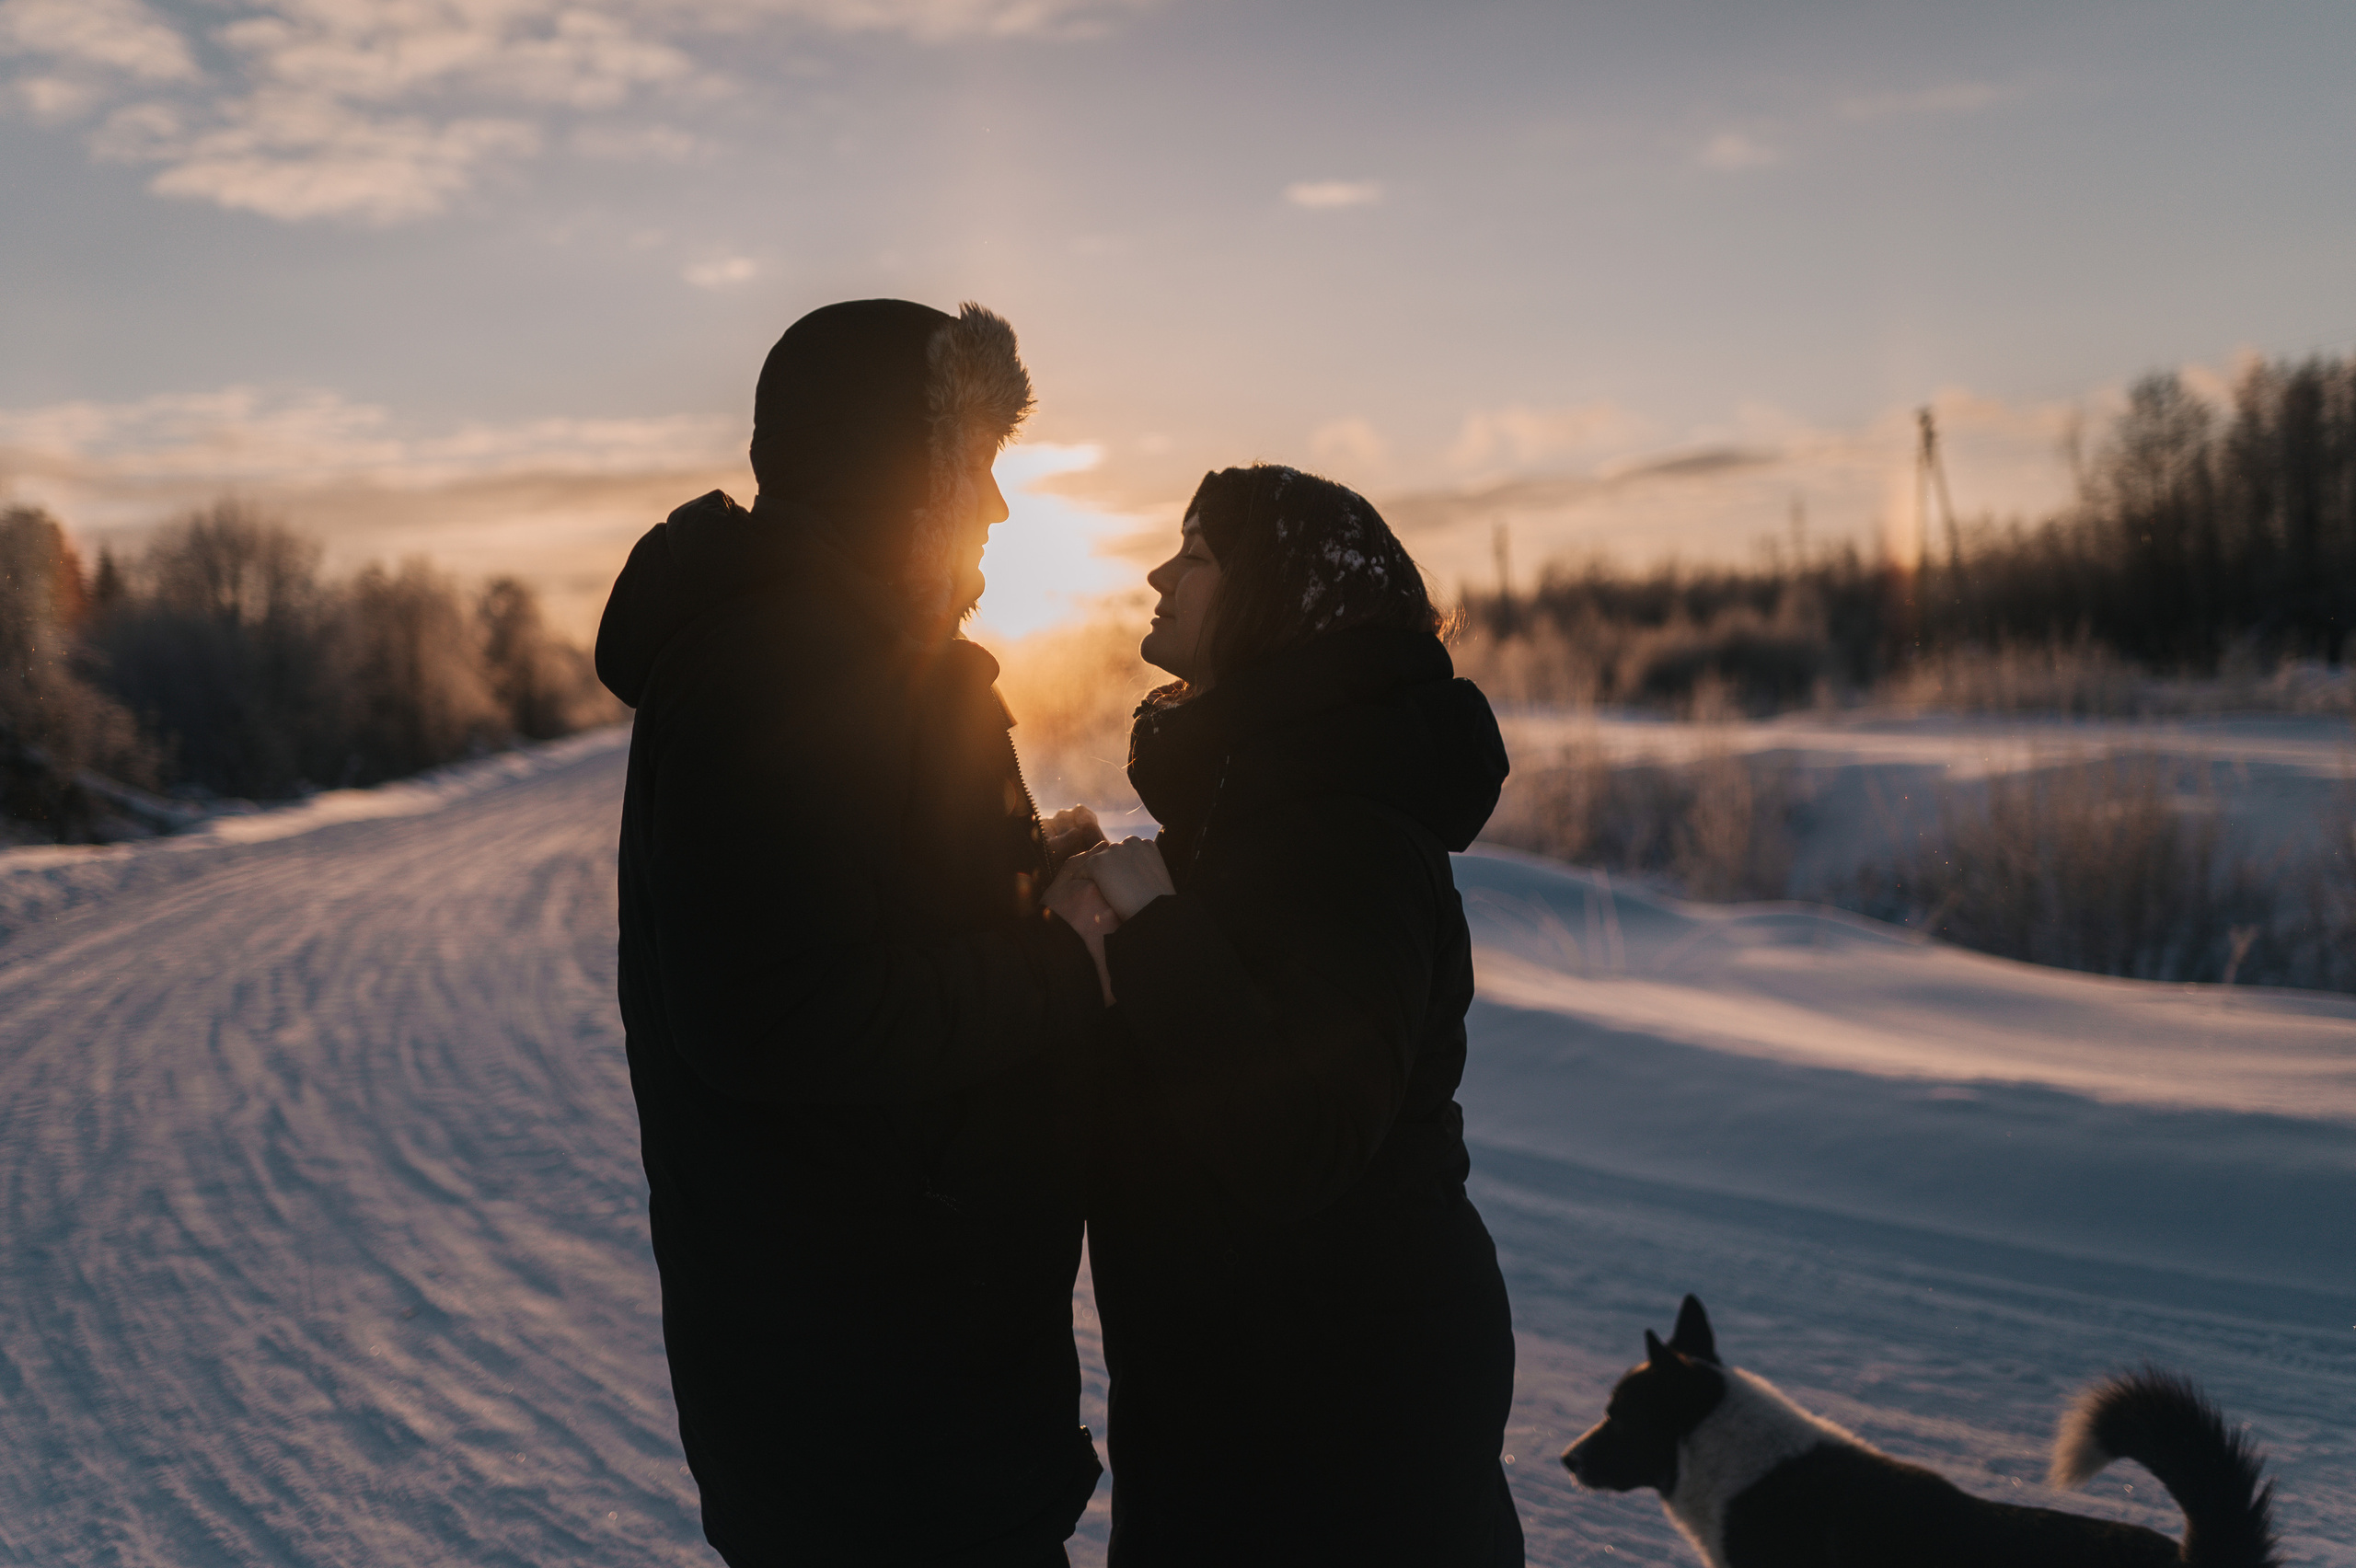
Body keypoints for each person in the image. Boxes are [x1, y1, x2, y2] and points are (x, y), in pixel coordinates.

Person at [595, 299, 1115, 1567]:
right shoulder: (775, 667)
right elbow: (779, 1013)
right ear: (896, 471)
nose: (998, 507)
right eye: (972, 464)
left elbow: (867, 911)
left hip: (912, 1386)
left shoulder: (850, 654)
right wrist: (1063, 961)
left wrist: (1031, 872)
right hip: (873, 1423)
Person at [1045, 465, 1523, 1566]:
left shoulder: (1349, 832)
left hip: (1341, 1433)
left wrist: (1157, 928)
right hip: (1250, 1405)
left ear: (1282, 599)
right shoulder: (1254, 807)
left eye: (1198, 554)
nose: (1158, 575)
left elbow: (1301, 1134)